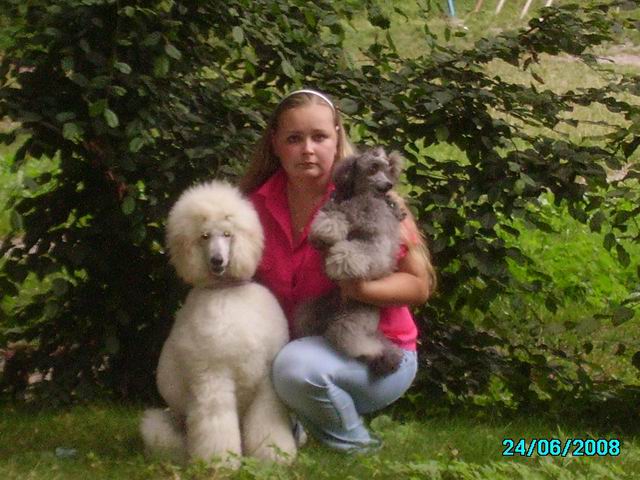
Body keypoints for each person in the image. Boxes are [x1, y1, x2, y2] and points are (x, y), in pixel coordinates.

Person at [240, 89, 436, 453]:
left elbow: (419, 285)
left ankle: (356, 449)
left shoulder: (375, 198)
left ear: (337, 137)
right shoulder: (252, 207)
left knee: (293, 369)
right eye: (294, 139)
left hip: (378, 354)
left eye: (319, 137)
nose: (307, 149)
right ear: (275, 144)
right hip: (299, 346)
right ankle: (294, 426)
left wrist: (361, 290)